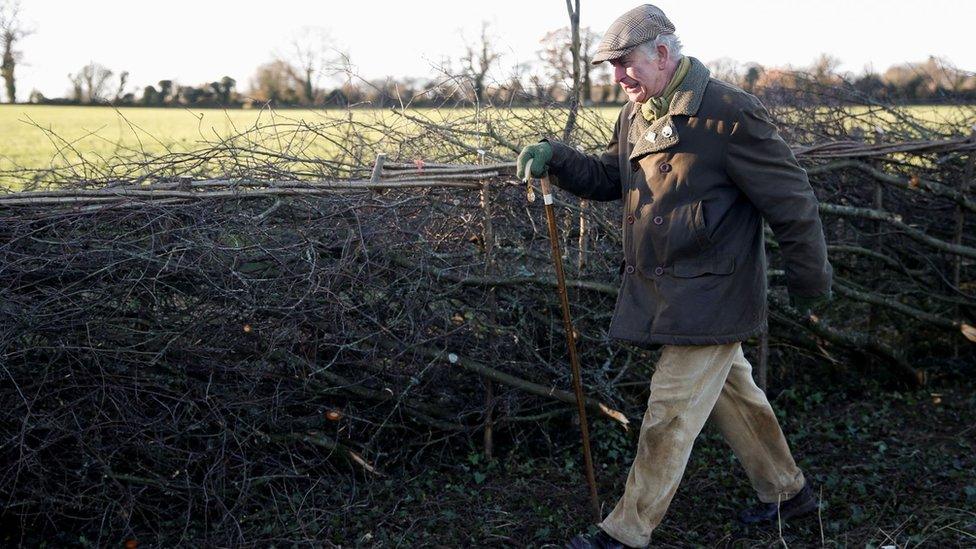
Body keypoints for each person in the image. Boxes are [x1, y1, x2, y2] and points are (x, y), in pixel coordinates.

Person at [516, 4, 833, 548]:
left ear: (662, 54)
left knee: (668, 414)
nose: (617, 77)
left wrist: (811, 281)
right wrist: (559, 158)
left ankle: (625, 532)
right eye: (610, 67)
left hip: (716, 290)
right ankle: (789, 493)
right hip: (670, 290)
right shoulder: (635, 115)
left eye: (624, 63)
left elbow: (792, 200)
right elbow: (611, 179)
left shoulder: (729, 112)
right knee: (737, 396)